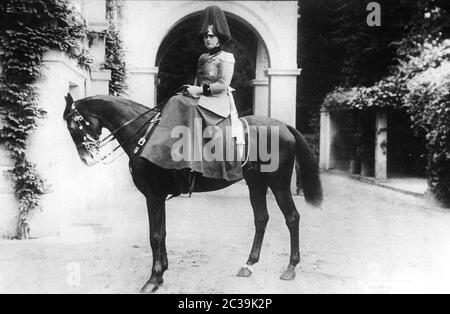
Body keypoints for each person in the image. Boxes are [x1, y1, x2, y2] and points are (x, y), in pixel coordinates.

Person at [140, 5, 244, 182]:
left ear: (220, 37)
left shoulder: (226, 58)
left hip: (217, 100)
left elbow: (223, 84)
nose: (207, 39)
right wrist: (191, 90)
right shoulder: (203, 58)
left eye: (211, 36)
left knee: (187, 108)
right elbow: (198, 80)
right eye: (205, 36)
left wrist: (199, 91)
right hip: (202, 97)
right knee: (176, 100)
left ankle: (192, 162)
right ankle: (164, 152)